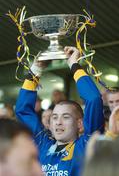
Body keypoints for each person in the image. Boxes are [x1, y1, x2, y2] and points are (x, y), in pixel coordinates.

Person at [16, 46, 104, 176]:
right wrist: (35, 70)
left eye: (66, 117)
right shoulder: (42, 144)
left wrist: (74, 64)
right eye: (55, 117)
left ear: (80, 124)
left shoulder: (87, 144)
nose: (58, 122)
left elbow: (93, 99)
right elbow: (23, 110)